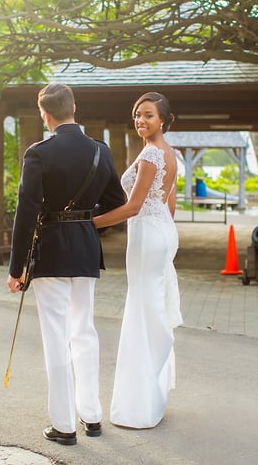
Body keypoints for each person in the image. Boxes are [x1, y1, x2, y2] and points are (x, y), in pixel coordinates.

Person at [6, 83, 126, 446]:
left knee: (56, 338)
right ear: (74, 106)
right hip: (86, 251)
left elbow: (26, 211)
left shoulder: (38, 153)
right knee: (84, 332)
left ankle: (64, 425)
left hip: (51, 253)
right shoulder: (100, 151)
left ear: (45, 114)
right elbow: (116, 202)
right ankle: (91, 416)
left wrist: (16, 267)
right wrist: (86, 221)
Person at [93, 91, 182, 429]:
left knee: (141, 311)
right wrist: (159, 228)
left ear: (163, 120)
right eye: (137, 115)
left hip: (146, 235)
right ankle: (150, 398)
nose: (141, 120)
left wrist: (89, 224)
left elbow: (132, 206)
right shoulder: (169, 154)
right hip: (161, 232)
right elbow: (169, 206)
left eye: (148, 115)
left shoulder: (150, 156)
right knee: (149, 307)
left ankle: (139, 406)